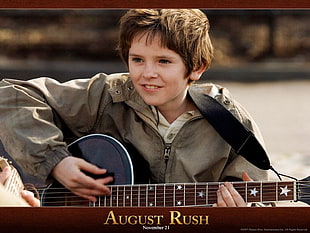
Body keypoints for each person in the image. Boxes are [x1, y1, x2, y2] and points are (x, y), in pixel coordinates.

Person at [0, 9, 270, 207]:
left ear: (196, 68)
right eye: (137, 59)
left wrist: (239, 216)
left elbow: (260, 200)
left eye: (164, 61)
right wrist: (56, 162)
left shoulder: (231, 124)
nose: (146, 73)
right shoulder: (108, 95)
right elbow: (11, 94)